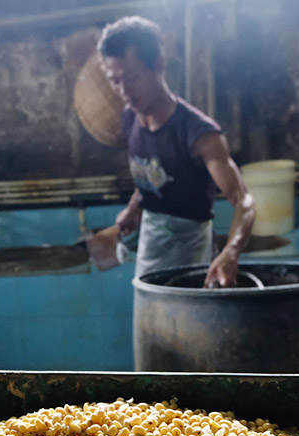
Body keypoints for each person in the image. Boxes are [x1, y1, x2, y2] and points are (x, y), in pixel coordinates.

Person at [95, 16, 255, 288]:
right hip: (151, 244)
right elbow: (153, 170)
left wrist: (232, 250)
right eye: (115, 81)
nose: (124, 91)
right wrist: (133, 209)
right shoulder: (129, 118)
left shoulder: (199, 133)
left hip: (192, 251)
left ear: (158, 65)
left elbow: (244, 201)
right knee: (151, 322)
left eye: (131, 77)